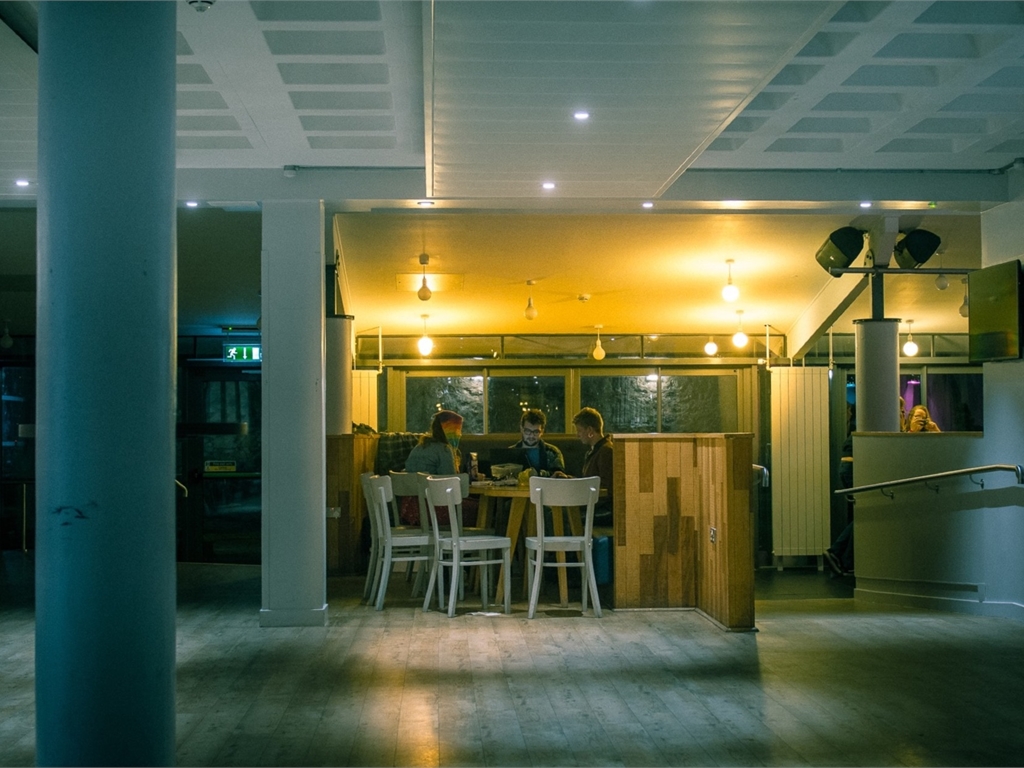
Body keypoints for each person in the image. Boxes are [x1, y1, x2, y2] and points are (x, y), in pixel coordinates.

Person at [555, 407, 614, 525]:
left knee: (559, 514)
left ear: (590, 430)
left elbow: (606, 490)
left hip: (604, 509)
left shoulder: (606, 451)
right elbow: (590, 482)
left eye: (579, 431)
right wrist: (568, 479)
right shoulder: (596, 451)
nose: (577, 435)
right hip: (594, 504)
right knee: (556, 510)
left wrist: (579, 501)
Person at [404, 410, 463, 475]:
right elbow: (451, 477)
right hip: (428, 481)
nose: (459, 434)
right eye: (456, 430)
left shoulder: (419, 447)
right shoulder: (444, 449)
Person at [510, 408, 565, 477]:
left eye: (536, 432)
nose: (531, 435)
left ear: (542, 431)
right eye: (528, 431)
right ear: (521, 429)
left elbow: (559, 475)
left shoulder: (553, 452)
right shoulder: (511, 452)